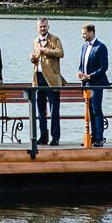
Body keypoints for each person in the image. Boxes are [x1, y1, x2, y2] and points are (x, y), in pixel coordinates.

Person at [30, 17, 65, 146]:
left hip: (52, 79)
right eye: (40, 26)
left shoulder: (55, 39)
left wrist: (45, 50)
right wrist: (33, 59)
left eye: (44, 26)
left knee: (54, 109)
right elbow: (37, 58)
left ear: (48, 27)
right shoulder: (35, 41)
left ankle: (55, 137)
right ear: (37, 28)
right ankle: (43, 136)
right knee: (40, 110)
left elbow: (60, 53)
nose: (42, 28)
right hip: (38, 77)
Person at [76, 22, 110, 146]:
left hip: (96, 83)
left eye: (84, 33)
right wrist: (80, 72)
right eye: (82, 34)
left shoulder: (100, 47)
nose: (83, 36)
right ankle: (93, 137)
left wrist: (90, 76)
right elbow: (82, 63)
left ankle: (99, 138)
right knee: (89, 110)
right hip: (86, 84)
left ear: (91, 32)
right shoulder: (84, 46)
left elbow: (104, 67)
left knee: (96, 109)